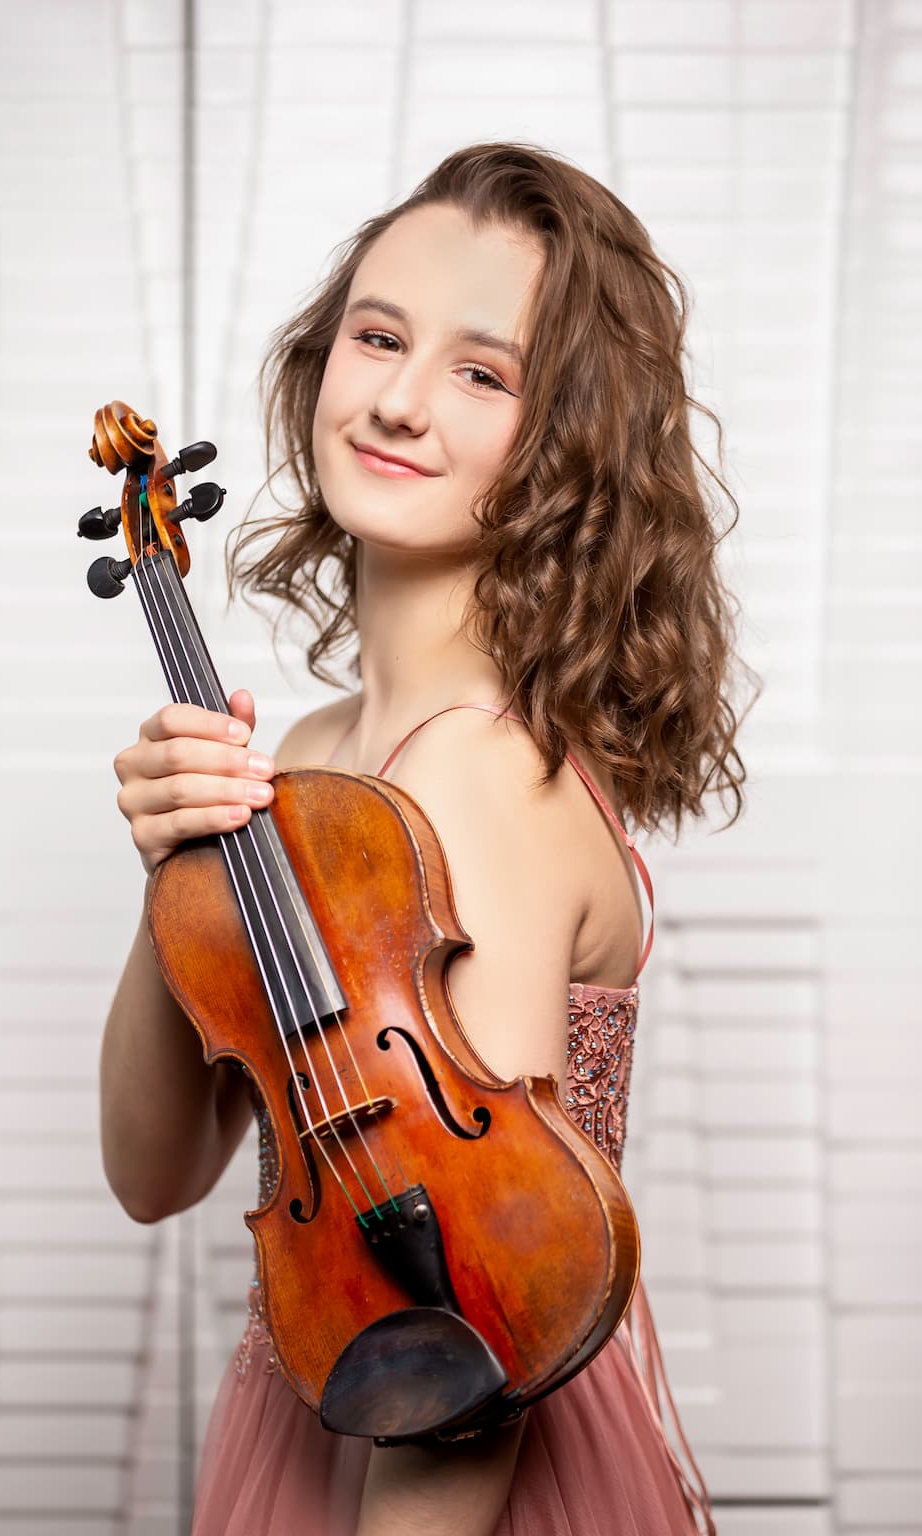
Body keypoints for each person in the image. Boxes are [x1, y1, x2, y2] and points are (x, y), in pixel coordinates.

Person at [100, 143, 753, 1535]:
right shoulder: (313, 759)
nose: (397, 399)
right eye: (378, 336)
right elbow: (155, 1176)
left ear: (563, 443)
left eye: (482, 371)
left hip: (442, 1455)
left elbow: (478, 1332)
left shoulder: (481, 773)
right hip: (334, 1375)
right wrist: (178, 868)